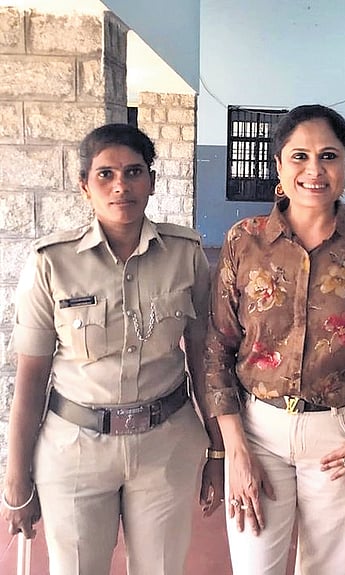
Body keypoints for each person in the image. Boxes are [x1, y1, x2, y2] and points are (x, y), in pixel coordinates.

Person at [1, 123, 224, 575]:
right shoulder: (52, 263)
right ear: (84, 186)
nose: (120, 185)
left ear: (152, 182)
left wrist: (218, 452)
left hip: (166, 446)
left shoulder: (186, 253)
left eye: (133, 171)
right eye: (105, 174)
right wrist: (16, 476)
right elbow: (31, 380)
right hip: (75, 449)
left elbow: (203, 359)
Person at [202, 104, 345, 574]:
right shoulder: (244, 241)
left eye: (329, 156)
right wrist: (234, 448)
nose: (314, 170)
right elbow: (219, 345)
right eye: (299, 156)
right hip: (258, 434)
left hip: (344, 438)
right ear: (278, 165)